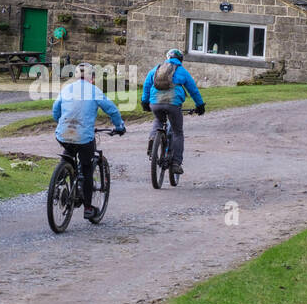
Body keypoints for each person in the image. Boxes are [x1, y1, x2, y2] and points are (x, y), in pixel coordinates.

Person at [52, 62, 126, 220]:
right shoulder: (94, 91)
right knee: (86, 169)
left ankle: (59, 183)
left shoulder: (66, 89)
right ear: (92, 78)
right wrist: (119, 126)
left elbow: (55, 110)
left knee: (69, 150)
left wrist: (62, 121)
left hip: (63, 133)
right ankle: (87, 208)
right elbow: (111, 109)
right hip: (84, 137)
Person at [141, 48, 205, 176]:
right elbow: (193, 90)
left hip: (155, 103)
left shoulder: (156, 69)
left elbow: (147, 85)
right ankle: (176, 163)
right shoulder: (182, 71)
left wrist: (145, 102)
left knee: (159, 120)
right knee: (177, 132)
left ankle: (153, 140)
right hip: (173, 104)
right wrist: (200, 105)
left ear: (167, 57)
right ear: (181, 59)